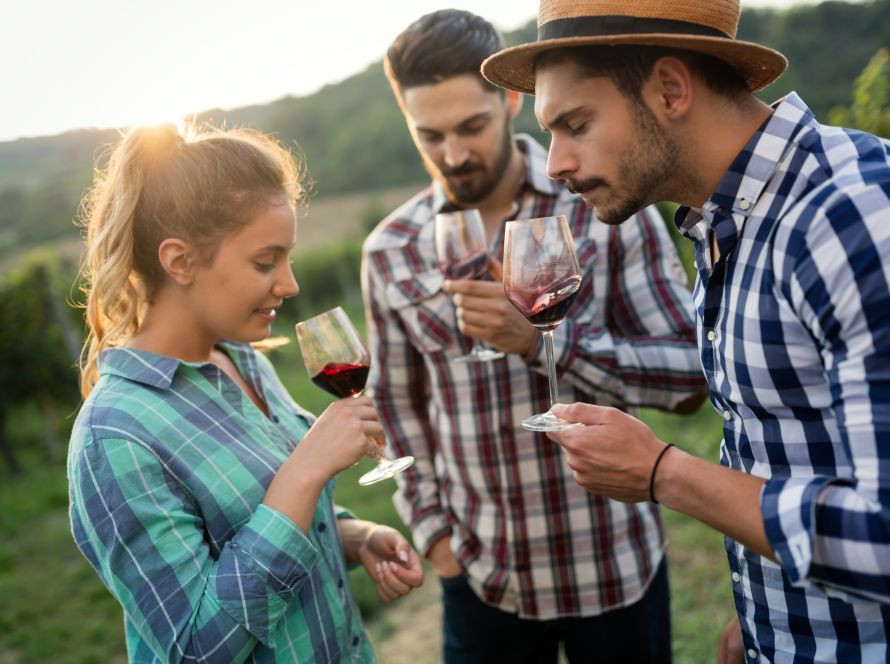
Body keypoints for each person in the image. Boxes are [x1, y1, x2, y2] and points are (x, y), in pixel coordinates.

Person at [481, 0, 890, 661]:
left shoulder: (848, 219)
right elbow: (790, 453)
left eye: (575, 123)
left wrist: (662, 472)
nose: (553, 164)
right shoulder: (728, 221)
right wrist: (764, 615)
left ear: (671, 89)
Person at [361, 9, 707, 664]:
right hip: (484, 583)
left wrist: (548, 341)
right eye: (428, 135)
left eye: (471, 126)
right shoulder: (390, 251)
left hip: (612, 568)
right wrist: (437, 539)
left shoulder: (602, 202)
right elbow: (398, 406)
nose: (453, 154)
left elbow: (690, 377)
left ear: (512, 99)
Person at [67, 123, 423, 664]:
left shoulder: (244, 362)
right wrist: (305, 469)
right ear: (180, 261)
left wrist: (356, 536)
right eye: (265, 262)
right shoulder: (115, 437)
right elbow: (196, 649)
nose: (290, 283)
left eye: (288, 258)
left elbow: (266, 516)